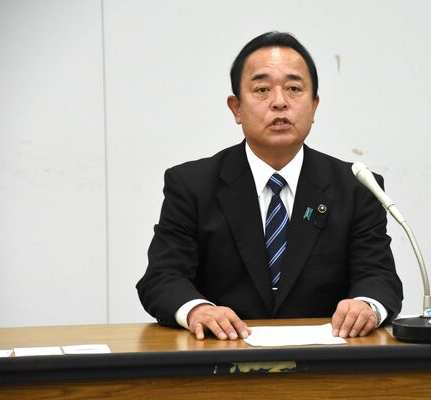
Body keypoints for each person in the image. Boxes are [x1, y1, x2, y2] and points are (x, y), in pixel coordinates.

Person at [137, 31, 403, 341]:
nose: (279, 102)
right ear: (236, 108)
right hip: (221, 353)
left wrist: (366, 305)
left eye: (294, 89)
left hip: (326, 357)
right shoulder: (192, 185)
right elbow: (163, 277)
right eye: (262, 89)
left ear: (314, 106)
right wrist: (197, 310)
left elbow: (379, 276)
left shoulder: (356, 187)